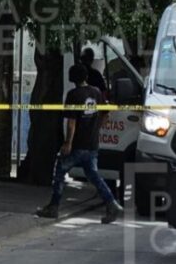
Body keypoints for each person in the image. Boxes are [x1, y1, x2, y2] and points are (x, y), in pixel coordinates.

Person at [35, 64, 123, 224]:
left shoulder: (73, 95)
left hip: (78, 144)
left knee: (60, 171)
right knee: (94, 176)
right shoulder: (96, 92)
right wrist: (96, 129)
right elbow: (106, 114)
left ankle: (53, 207)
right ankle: (112, 203)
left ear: (72, 78)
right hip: (92, 144)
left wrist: (68, 143)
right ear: (86, 77)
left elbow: (71, 123)